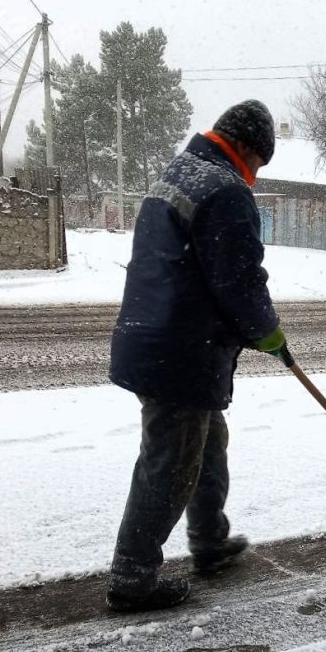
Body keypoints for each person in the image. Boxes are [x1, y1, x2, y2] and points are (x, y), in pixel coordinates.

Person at [106, 100, 285, 613]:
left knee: (207, 445)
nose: (254, 177)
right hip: (180, 351)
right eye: (259, 166)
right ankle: (133, 577)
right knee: (170, 465)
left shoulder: (178, 175)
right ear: (248, 150)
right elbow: (239, 281)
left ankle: (209, 542)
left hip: (158, 336)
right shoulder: (225, 189)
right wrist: (267, 333)